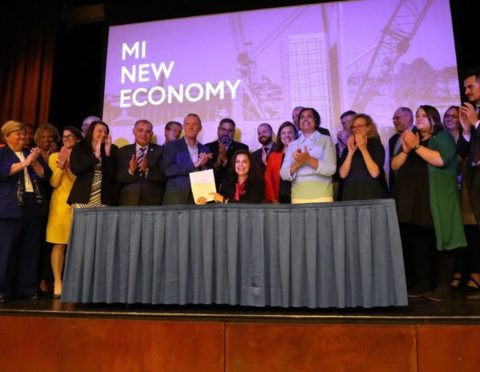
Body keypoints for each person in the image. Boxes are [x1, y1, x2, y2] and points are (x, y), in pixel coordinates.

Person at [392, 105, 466, 301]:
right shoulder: (411, 137)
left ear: (434, 118)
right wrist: (407, 150)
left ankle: (443, 286)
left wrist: (416, 146)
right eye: (417, 116)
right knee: (418, 240)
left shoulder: (442, 137)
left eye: (424, 115)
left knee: (444, 238)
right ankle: (423, 283)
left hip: (437, 198)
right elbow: (394, 165)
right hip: (413, 200)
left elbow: (441, 160)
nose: (419, 118)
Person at [0, 120, 51, 302]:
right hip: (11, 206)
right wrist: (25, 163)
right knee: (5, 251)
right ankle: (3, 289)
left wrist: (35, 163)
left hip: (33, 205)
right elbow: (3, 172)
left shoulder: (31, 153)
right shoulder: (3, 153)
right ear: (7, 137)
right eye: (18, 134)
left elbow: (46, 176)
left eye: (24, 134)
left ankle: (28, 288)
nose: (23, 137)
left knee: (30, 248)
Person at [442, 106, 480, 296]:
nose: (450, 119)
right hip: (448, 192)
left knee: (471, 231)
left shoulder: (471, 135)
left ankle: (473, 273)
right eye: (447, 115)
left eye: (455, 116)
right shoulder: (441, 138)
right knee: (455, 232)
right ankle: (457, 271)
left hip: (467, 190)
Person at [46, 126, 83, 298]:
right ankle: (58, 282)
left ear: (78, 139)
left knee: (78, 245)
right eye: (65, 136)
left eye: (71, 136)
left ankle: (74, 282)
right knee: (59, 244)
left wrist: (68, 167)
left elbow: (81, 181)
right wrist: (61, 167)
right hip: (60, 204)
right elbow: (53, 182)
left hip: (79, 202)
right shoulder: (54, 156)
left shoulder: (82, 157)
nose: (67, 139)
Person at [280, 107, 336, 203]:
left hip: (323, 195)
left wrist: (308, 159)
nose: (305, 119)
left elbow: (331, 169)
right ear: (298, 123)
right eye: (302, 117)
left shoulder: (326, 140)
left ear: (316, 121)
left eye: (309, 116)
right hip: (298, 197)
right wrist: (297, 163)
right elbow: (283, 174)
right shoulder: (293, 144)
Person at [457, 67, 480, 300]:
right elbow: (462, 153)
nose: (466, 91)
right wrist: (466, 130)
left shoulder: (477, 116)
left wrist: (477, 123)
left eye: (470, 86)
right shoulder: (474, 116)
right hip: (475, 179)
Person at [162, 113, 213, 205]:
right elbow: (168, 170)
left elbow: (208, 175)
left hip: (199, 198)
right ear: (184, 128)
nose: (191, 127)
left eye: (194, 124)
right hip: (176, 198)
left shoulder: (206, 150)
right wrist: (194, 165)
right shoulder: (172, 146)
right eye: (187, 124)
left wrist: (204, 165)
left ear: (200, 128)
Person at [67, 120, 118, 207]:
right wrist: (95, 158)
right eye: (100, 131)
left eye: (105, 132)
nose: (103, 134)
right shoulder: (80, 147)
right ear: (91, 132)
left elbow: (112, 175)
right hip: (82, 197)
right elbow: (75, 170)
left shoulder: (112, 149)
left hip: (103, 198)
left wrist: (108, 154)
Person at [338, 114, 388, 200]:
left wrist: (363, 149)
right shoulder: (349, 148)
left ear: (369, 128)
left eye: (360, 126)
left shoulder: (377, 146)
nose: (356, 129)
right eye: (353, 127)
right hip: (351, 194)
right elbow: (342, 174)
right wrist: (350, 153)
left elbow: (374, 173)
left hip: (373, 195)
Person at [117, 119, 165, 206]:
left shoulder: (161, 151)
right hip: (128, 200)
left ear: (151, 134)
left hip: (152, 201)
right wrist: (130, 171)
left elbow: (164, 176)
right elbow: (117, 178)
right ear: (134, 131)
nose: (143, 134)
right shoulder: (122, 151)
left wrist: (147, 170)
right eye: (140, 130)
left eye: (148, 131)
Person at [198, 149, 264, 204]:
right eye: (237, 161)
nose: (240, 165)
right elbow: (219, 201)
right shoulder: (227, 181)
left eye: (244, 161)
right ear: (234, 164)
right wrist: (206, 201)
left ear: (250, 164)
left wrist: (224, 200)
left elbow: (250, 204)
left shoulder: (258, 182)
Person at [205, 118, 249, 189]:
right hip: (211, 190)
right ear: (218, 129)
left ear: (234, 132)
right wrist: (217, 163)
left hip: (232, 190)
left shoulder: (242, 148)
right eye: (223, 129)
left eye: (230, 131)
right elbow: (205, 172)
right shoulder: (207, 147)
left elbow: (242, 172)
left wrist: (225, 160)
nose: (226, 133)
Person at [264, 121, 298, 203]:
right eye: (283, 133)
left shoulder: (302, 152)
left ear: (295, 135)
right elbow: (268, 179)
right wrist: (274, 200)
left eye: (290, 132)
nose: (287, 135)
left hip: (299, 197)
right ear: (279, 136)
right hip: (279, 199)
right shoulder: (273, 156)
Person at [388, 107, 414, 192]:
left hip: (414, 186)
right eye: (393, 119)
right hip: (398, 188)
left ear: (409, 118)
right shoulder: (392, 140)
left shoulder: (419, 135)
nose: (395, 121)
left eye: (397, 118)